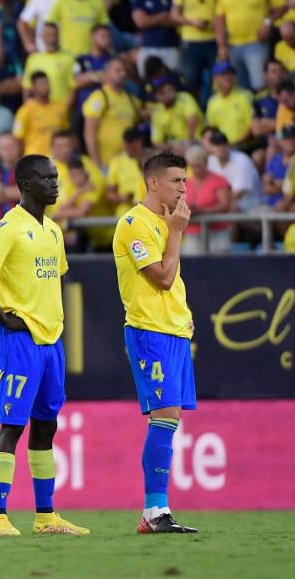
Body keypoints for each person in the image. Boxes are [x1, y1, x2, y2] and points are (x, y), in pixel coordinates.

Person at [0, 153, 89, 537]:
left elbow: (60, 278)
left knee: (46, 425)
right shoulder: (10, 227)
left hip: (50, 341)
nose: (55, 184)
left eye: (56, 177)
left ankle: (46, 517)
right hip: (19, 341)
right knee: (12, 425)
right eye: (47, 178)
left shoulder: (53, 229)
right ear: (25, 185)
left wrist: (53, 316)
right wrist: (4, 317)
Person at [111, 151, 199, 533]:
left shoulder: (166, 220)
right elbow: (161, 277)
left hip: (174, 329)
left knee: (171, 417)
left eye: (185, 180)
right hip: (149, 331)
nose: (184, 187)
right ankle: (154, 511)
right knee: (163, 416)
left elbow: (172, 283)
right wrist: (176, 231)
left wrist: (182, 312)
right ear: (153, 182)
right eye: (177, 180)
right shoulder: (134, 224)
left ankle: (156, 511)